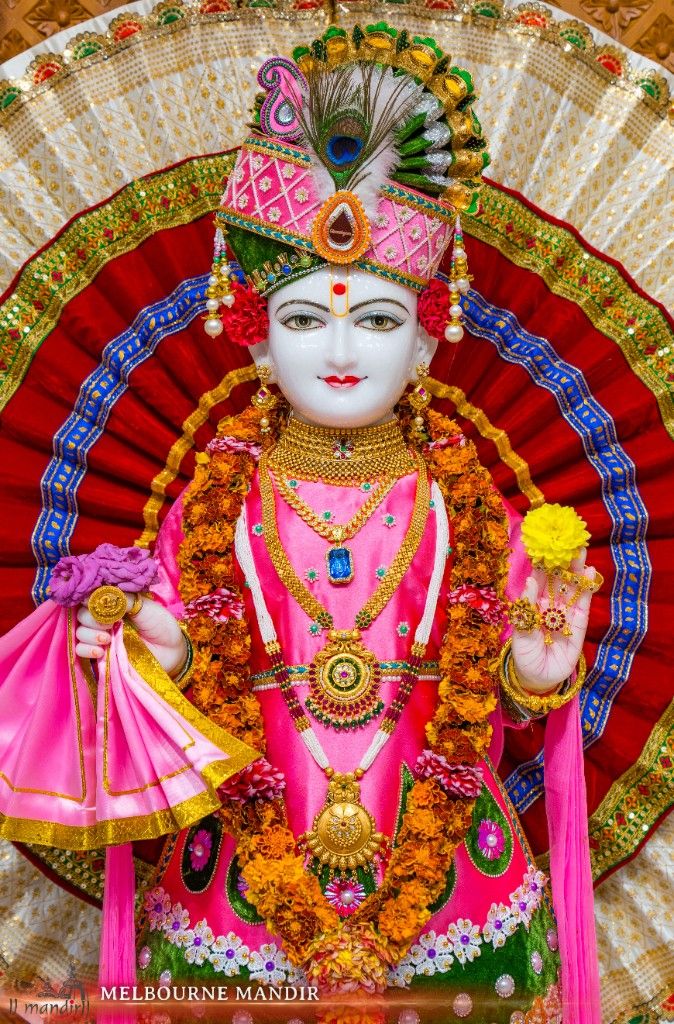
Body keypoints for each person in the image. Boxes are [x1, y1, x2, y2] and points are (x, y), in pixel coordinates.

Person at [69, 21, 600, 1021]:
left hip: (446, 867)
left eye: (377, 318)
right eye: (305, 318)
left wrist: (535, 670)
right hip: (245, 871)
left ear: (429, 339)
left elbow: (510, 690)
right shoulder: (213, 503)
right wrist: (133, 647)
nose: (340, 349)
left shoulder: (468, 502)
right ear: (255, 337)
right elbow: (175, 665)